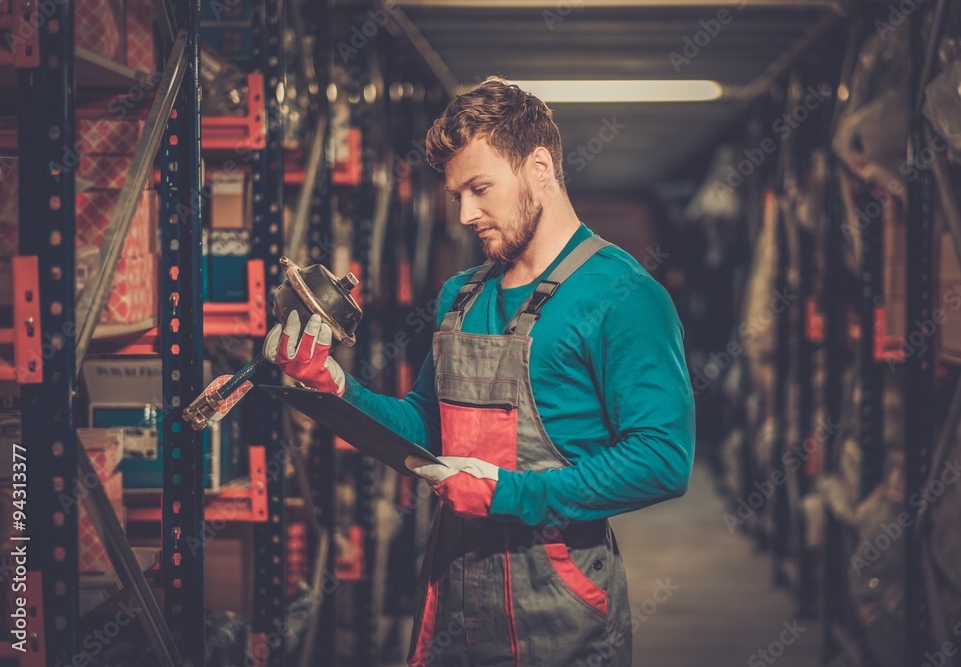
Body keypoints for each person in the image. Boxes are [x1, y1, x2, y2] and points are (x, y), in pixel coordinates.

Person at [263, 76, 695, 667]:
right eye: (456, 195)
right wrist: (332, 386)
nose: (466, 213)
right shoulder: (459, 297)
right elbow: (425, 430)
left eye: (481, 188)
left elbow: (661, 459)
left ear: (539, 164)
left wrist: (508, 493)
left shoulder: (623, 296)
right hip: (451, 592)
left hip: (558, 603)